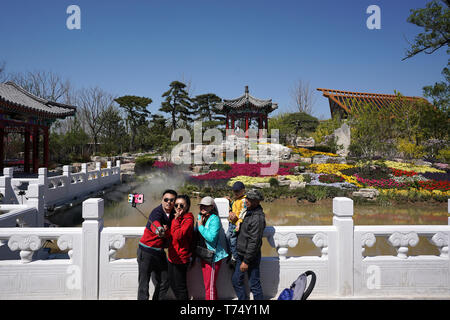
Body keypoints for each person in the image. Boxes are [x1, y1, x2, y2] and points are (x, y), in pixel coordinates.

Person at [137, 189, 176, 300]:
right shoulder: (157, 211)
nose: (168, 202)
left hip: (159, 252)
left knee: (165, 281)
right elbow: (155, 222)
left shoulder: (174, 214)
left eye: (171, 200)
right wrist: (159, 230)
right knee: (144, 284)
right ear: (162, 200)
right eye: (166, 199)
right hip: (146, 251)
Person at [232, 189, 266, 300]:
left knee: (254, 285)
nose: (246, 200)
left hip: (250, 257)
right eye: (246, 198)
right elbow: (244, 229)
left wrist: (246, 261)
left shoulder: (257, 218)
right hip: (241, 254)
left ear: (257, 201)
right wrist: (235, 219)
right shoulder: (248, 211)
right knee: (236, 280)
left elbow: (254, 241)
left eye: (250, 199)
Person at [197, 196, 229, 300]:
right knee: (208, 286)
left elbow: (211, 238)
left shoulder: (214, 219)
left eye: (206, 206)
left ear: (211, 207)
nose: (203, 208)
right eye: (201, 206)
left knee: (209, 287)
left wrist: (200, 226)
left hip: (212, 257)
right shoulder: (200, 217)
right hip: (203, 255)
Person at [166, 195, 194, 300]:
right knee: (172, 283)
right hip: (172, 256)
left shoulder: (188, 219)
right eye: (176, 205)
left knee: (180, 286)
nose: (178, 207)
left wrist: (176, 220)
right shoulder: (177, 217)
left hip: (181, 258)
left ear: (187, 206)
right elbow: (172, 233)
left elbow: (178, 236)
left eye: (181, 205)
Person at [225, 181, 247, 269]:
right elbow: (233, 207)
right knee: (227, 237)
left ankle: (234, 257)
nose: (236, 193)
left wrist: (239, 222)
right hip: (231, 224)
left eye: (237, 191)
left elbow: (243, 212)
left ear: (243, 191)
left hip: (236, 224)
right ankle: (230, 253)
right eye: (234, 191)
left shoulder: (244, 200)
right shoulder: (236, 200)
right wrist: (229, 201)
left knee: (233, 240)